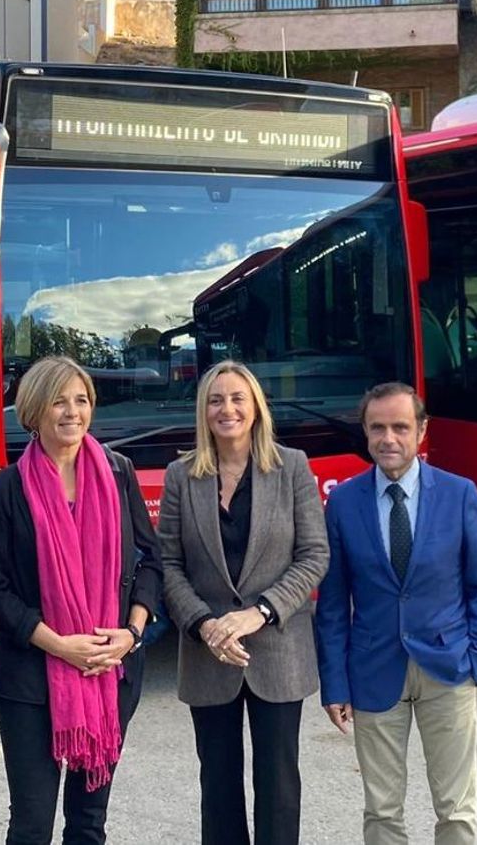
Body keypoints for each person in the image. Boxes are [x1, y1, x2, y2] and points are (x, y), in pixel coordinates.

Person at [0, 356, 163, 844]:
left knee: (88, 824)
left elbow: (150, 560)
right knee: (32, 824)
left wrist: (131, 634)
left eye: (81, 400)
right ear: (34, 411)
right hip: (31, 677)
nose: (72, 412)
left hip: (111, 671)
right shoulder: (5, 489)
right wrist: (61, 645)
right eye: (59, 401)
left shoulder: (119, 473)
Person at [315, 382, 477, 845]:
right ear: (365, 431)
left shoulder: (460, 495)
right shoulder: (343, 502)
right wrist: (335, 684)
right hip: (373, 668)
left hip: (448, 668)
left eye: (400, 427)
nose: (388, 439)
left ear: (421, 431)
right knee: (381, 810)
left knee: (456, 809)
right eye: (377, 428)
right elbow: (334, 604)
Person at [158, 360, 330, 845]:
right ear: (203, 410)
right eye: (215, 399)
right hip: (208, 652)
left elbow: (314, 555)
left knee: (279, 787)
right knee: (217, 786)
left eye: (237, 398)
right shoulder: (179, 476)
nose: (226, 408)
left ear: (255, 407)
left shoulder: (291, 466)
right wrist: (205, 624)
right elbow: (168, 562)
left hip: (277, 650)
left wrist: (261, 612)